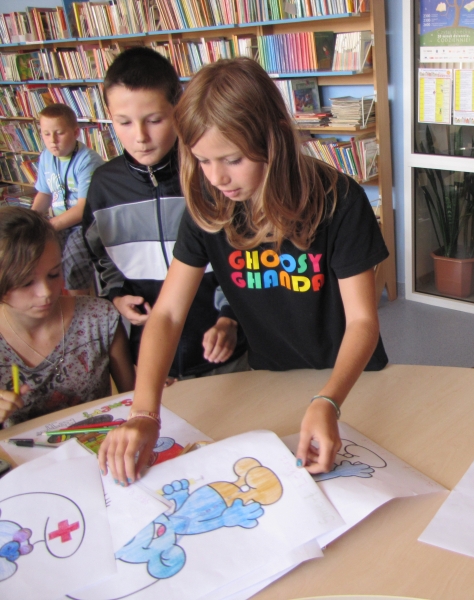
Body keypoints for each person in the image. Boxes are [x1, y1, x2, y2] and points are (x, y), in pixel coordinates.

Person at [98, 57, 389, 484]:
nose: (217, 177)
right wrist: (144, 412)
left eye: (232, 159)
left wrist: (329, 400)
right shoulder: (209, 207)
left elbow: (363, 321)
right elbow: (168, 314)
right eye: (202, 160)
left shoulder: (338, 199)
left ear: (274, 139)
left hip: (349, 380)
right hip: (270, 376)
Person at [82, 47, 247, 385]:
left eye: (155, 120)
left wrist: (230, 316)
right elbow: (102, 257)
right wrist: (117, 296)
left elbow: (243, 253)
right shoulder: (103, 185)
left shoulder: (210, 175)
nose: (140, 137)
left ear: (178, 108)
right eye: (124, 123)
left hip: (225, 351)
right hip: (152, 360)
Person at [0, 207, 135, 427]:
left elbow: (134, 399)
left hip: (99, 443)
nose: (45, 292)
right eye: (26, 283)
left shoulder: (99, 318)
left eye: (54, 274)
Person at [31, 103, 104, 296]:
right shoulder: (46, 157)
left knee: (74, 261)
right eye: (46, 134)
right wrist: (30, 220)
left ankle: (78, 306)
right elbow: (44, 193)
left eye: (59, 133)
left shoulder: (88, 160)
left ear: (75, 132)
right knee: (33, 252)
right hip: (59, 222)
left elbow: (82, 210)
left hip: (86, 224)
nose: (52, 141)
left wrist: (47, 227)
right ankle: (50, 301)